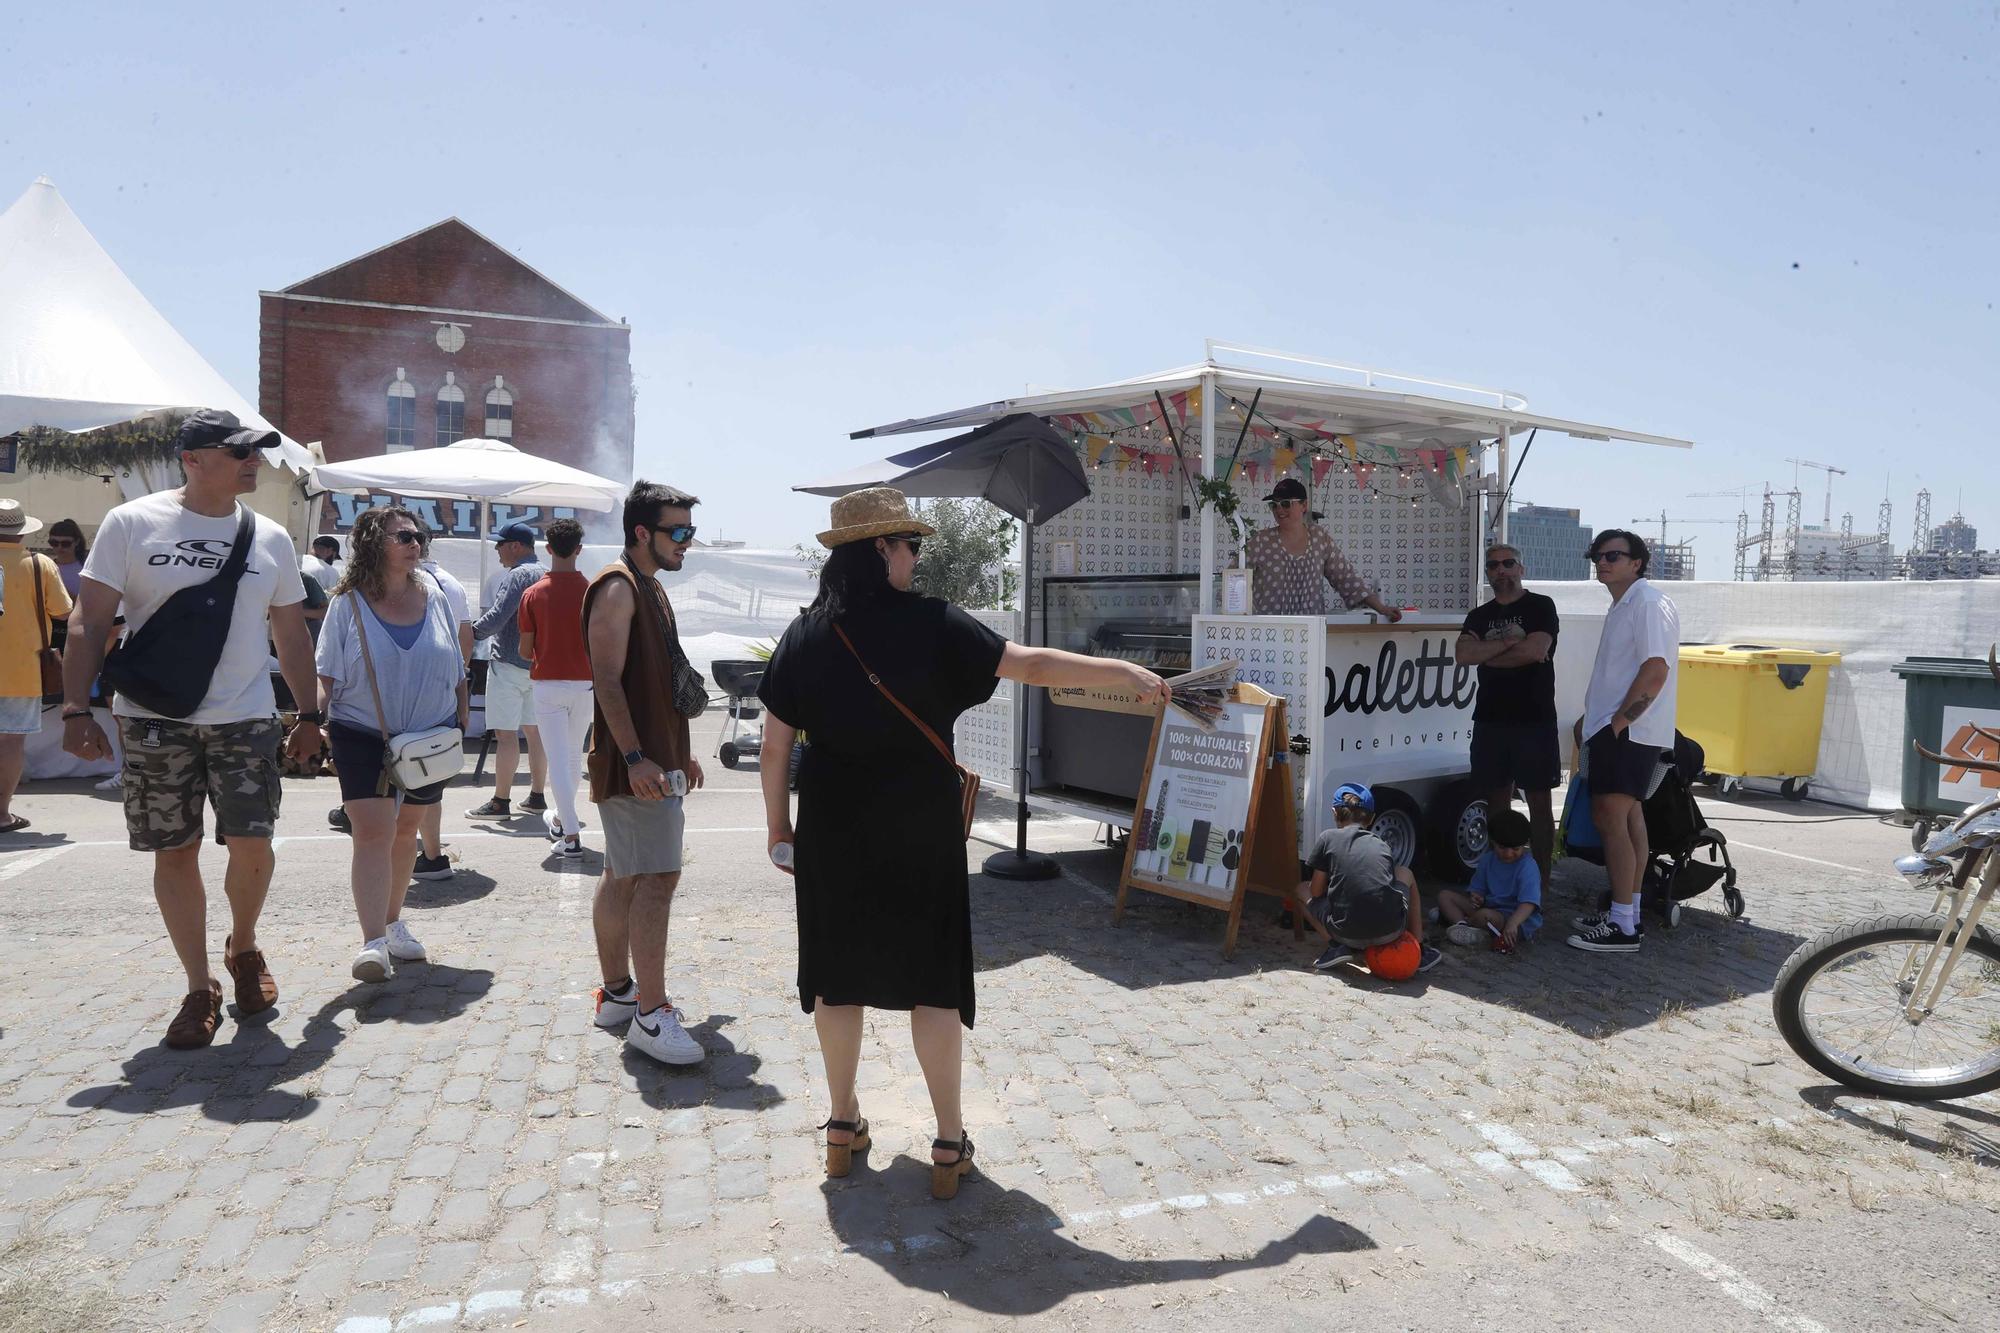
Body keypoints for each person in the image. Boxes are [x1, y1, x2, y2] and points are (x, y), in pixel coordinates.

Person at [756, 486, 1174, 1199]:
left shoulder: (806, 633)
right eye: (910, 544)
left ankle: (839, 1125)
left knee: (838, 974)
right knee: (933, 981)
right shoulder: (934, 623)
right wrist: (1126, 673)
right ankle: (948, 1141)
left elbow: (774, 744)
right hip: (920, 822)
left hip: (833, 823)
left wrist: (778, 827)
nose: (917, 557)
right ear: (881, 548)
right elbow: (1033, 665)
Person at [61, 409, 323, 1050]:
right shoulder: (134, 522)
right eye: (237, 453)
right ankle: (199, 984)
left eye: (255, 452)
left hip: (245, 718)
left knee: (253, 844)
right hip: (155, 719)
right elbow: (88, 622)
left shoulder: (270, 537)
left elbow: (290, 633)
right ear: (193, 459)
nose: (252, 462)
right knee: (173, 851)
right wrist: (75, 709)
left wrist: (311, 715)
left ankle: (245, 945)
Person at [582, 483, 706, 1068]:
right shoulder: (618, 587)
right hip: (637, 768)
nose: (687, 542)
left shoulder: (647, 587)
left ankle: (618, 995)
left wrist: (680, 754)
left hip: (652, 763)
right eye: (677, 532)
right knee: (657, 877)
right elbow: (606, 681)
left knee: (624, 873)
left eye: (690, 531)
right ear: (642, 533)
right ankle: (651, 1016)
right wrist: (635, 759)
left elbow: (657, 682)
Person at [315, 506, 468, 981]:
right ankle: (373, 943)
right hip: (361, 731)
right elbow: (327, 671)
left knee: (406, 833)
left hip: (428, 738)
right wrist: (313, 721)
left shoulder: (436, 595)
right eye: (403, 536)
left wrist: (461, 707)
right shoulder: (348, 602)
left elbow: (455, 659)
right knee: (374, 833)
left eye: (418, 535)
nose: (414, 543)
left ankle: (393, 922)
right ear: (372, 544)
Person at [1568, 529, 1680, 954]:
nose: (1603, 561)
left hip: (1631, 734)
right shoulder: (1626, 604)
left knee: (1610, 819)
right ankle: (1626, 914)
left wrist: (1618, 723)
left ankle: (1623, 927)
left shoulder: (1648, 602)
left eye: (1614, 555)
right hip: (1624, 731)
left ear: (1637, 562)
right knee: (1630, 821)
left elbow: (1656, 669)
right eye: (1597, 555)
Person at [1454, 542, 1560, 880]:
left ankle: (1540, 881)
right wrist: (1509, 644)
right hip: (1490, 721)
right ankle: (1497, 880)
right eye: (1493, 565)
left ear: (1521, 569)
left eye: (1508, 563)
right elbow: (1463, 655)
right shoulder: (1479, 615)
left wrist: (1486, 652)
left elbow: (1535, 650)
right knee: (1495, 804)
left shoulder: (1541, 606)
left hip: (1535, 721)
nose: (1501, 570)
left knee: (1539, 806)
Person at [1293, 784, 1441, 975]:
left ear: (1334, 813)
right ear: (1371, 818)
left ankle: (1337, 946)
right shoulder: (1382, 845)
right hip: (1392, 929)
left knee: (1301, 889)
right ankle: (1420, 948)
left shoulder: (1327, 838)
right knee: (1405, 872)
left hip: (1345, 931)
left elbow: (1316, 892)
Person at [517, 517, 593, 857]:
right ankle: (564, 821)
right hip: (586, 683)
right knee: (573, 757)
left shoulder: (533, 593)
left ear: (548, 549)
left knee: (559, 760)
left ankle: (571, 833)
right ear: (579, 549)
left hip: (548, 683)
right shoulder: (592, 591)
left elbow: (523, 650)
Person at [0, 501, 72, 833]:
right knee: (11, 742)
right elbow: (62, 611)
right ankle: (1, 813)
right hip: (21, 668)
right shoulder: (39, 563)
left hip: (20, 669)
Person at [468, 521, 547, 819]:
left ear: (516, 546)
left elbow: (498, 617)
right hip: (539, 667)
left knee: (506, 736)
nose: (497, 550)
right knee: (536, 734)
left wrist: (471, 634)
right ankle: (537, 796)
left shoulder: (517, 575)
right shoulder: (546, 573)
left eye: (500, 544)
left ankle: (501, 801)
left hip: (509, 663)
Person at [1243, 477, 1403, 620]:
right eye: (1274, 505)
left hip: (1311, 634)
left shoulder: (1319, 537)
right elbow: (1234, 580)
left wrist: (1382, 608)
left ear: (1304, 505)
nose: (1279, 510)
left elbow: (1346, 579)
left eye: (1286, 504)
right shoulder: (1261, 541)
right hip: (1268, 634)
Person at [413, 522, 474, 880]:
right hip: (442, 689)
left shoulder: (407, 581)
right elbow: (465, 637)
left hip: (410, 695)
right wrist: (457, 684)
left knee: (411, 772)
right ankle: (432, 853)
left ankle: (422, 851)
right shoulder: (450, 581)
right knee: (428, 773)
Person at [1436, 807, 1542, 949]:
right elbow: (1477, 889)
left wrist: (1513, 923)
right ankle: (1462, 926)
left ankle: (1459, 922)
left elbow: (1529, 903)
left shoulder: (1527, 866)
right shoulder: (1487, 860)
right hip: (1488, 908)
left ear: (1525, 844)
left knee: (1484, 916)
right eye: (1502, 848)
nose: (1508, 854)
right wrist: (1476, 897)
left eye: (1515, 849)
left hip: (1513, 918)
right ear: (1493, 842)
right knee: (1444, 896)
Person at [46, 517, 87, 600]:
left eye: (65, 543)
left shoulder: (87, 568)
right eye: (54, 543)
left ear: (76, 542)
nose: (59, 547)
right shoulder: (47, 568)